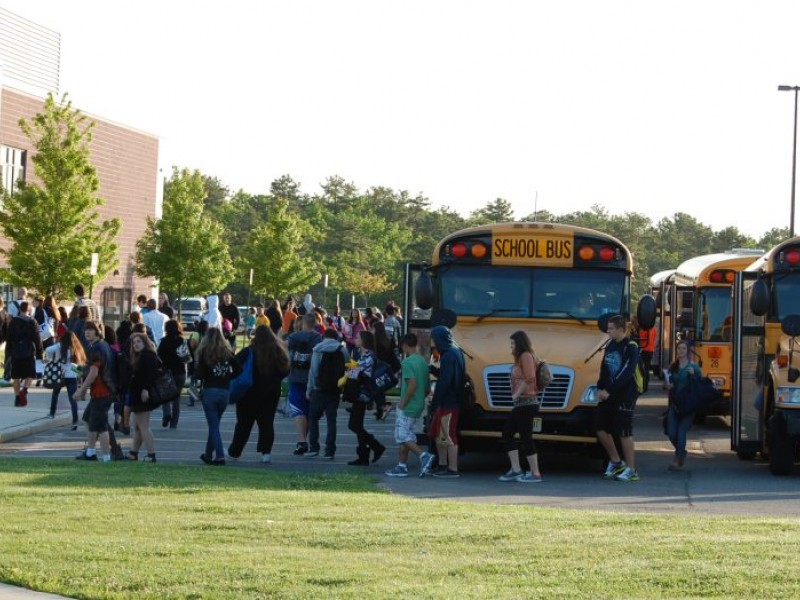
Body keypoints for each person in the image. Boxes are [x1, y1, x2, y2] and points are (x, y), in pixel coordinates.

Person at [227, 325, 290, 464]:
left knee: (243, 424)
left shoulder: (249, 351)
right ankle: (266, 453)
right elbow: (286, 370)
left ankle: (235, 451)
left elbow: (235, 364)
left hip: (248, 392)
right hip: (271, 393)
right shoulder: (277, 352)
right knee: (267, 423)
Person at [596, 314, 641, 482]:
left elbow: (627, 373)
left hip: (625, 394)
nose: (608, 331)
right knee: (600, 428)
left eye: (611, 329)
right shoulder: (610, 345)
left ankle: (631, 469)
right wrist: (600, 388)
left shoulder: (630, 346)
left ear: (622, 329)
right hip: (607, 393)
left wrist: (610, 390)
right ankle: (616, 461)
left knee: (624, 431)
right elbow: (604, 368)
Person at [385, 333, 436, 478]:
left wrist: (402, 403)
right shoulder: (422, 362)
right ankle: (402, 466)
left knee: (401, 435)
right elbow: (426, 388)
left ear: (405, 346)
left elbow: (411, 384)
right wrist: (420, 397)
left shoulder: (407, 363)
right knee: (407, 434)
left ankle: (424, 456)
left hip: (408, 405)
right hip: (419, 403)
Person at [498, 331, 544, 483]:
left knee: (525, 437)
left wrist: (516, 394)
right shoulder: (520, 359)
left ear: (519, 344)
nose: (510, 347)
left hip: (527, 403)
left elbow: (530, 378)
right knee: (508, 434)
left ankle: (535, 473)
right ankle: (516, 470)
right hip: (521, 404)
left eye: (512, 344)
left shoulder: (526, 356)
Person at [195, 327, 242, 465]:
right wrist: (228, 377)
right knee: (214, 424)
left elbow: (199, 374)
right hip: (225, 391)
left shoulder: (205, 352)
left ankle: (220, 456)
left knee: (213, 425)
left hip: (210, 391)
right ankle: (208, 454)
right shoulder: (227, 352)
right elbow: (239, 369)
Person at [425, 325, 465, 478]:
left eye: (434, 337)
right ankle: (443, 465)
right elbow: (448, 376)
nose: (432, 340)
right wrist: (434, 370)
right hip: (451, 400)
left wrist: (435, 402)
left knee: (447, 435)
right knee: (440, 434)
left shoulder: (448, 355)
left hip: (448, 401)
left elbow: (444, 382)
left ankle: (452, 468)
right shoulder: (455, 352)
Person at [73, 321, 115, 462]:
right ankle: (91, 452)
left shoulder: (96, 348)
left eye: (91, 330)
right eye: (86, 330)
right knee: (87, 419)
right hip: (103, 391)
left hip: (102, 392)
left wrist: (81, 390)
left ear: (98, 331)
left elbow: (94, 373)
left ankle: (106, 456)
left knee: (101, 426)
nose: (87, 332)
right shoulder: (104, 345)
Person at [305, 328, 349, 459]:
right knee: (331, 421)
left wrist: (309, 388)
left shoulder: (318, 349)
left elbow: (313, 372)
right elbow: (348, 367)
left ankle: (314, 447)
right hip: (334, 389)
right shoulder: (342, 350)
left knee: (313, 418)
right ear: (336, 338)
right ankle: (330, 450)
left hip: (319, 389)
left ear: (324, 337)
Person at [344, 330, 386, 466]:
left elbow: (362, 374)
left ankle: (373, 448)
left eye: (358, 337)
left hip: (363, 393)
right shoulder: (360, 354)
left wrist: (350, 371)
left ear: (364, 341)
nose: (356, 339)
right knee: (356, 424)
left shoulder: (369, 356)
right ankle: (367, 451)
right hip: (358, 392)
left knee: (354, 424)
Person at [286, 314, 322, 455]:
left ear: (302, 323)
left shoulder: (294, 336)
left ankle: (302, 441)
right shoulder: (318, 337)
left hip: (296, 376)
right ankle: (306, 440)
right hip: (312, 378)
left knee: (298, 408)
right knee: (308, 411)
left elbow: (284, 346)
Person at [664, 340, 703, 470]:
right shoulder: (673, 366)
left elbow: (701, 385)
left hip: (688, 405)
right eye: (679, 348)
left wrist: (694, 376)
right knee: (671, 433)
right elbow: (668, 383)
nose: (681, 351)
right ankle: (682, 452)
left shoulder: (693, 367)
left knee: (681, 431)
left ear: (687, 351)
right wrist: (668, 386)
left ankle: (678, 458)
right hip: (675, 404)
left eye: (683, 348)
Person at [126, 333, 160, 462]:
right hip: (138, 394)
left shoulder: (148, 355)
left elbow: (151, 374)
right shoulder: (139, 356)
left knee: (143, 426)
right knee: (138, 426)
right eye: (134, 342)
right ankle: (133, 452)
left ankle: (151, 454)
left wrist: (145, 389)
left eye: (139, 341)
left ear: (145, 343)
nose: (136, 344)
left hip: (142, 395)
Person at [7, 301, 43, 407]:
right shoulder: (32, 322)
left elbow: (9, 338)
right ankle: (25, 390)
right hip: (28, 352)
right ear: (28, 309)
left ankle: (17, 397)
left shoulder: (13, 321)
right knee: (30, 374)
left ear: (20, 309)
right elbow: (37, 339)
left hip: (16, 352)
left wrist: (9, 351)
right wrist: (40, 353)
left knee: (16, 376)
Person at [157, 320, 187, 429]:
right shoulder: (181, 341)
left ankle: (166, 414)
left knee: (165, 395)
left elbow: (158, 357)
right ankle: (174, 423)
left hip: (167, 372)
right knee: (176, 398)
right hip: (180, 372)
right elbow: (186, 358)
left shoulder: (163, 342)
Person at [371, 321, 401, 420]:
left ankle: (384, 406)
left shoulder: (377, 343)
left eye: (373, 329)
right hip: (391, 368)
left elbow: (380, 358)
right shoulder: (388, 340)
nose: (372, 331)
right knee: (380, 389)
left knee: (376, 388)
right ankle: (380, 411)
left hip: (383, 369)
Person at [638, 323, 656, 393]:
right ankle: (646, 386)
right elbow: (654, 338)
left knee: (641, 368)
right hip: (651, 350)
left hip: (644, 349)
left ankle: (642, 384)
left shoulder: (642, 329)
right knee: (647, 368)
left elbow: (641, 340)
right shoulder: (653, 329)